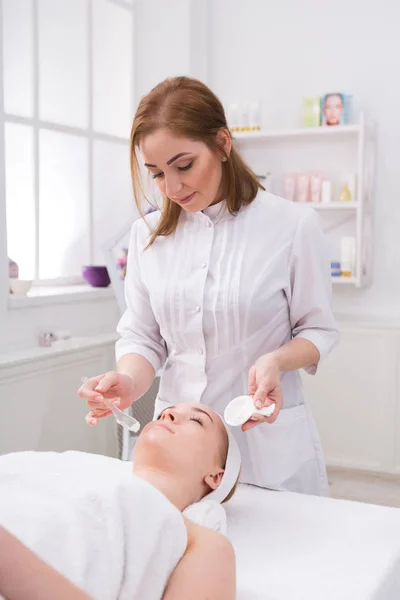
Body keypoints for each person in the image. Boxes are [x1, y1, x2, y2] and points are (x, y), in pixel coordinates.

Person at [79, 76, 339, 496]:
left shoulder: (292, 226)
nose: (172, 187)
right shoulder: (147, 237)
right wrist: (127, 382)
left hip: (262, 444)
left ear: (222, 143)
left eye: (183, 165)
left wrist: (275, 360)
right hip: (177, 455)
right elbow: (143, 338)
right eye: (157, 173)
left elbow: (319, 331)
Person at [0, 403, 238, 600]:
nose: (168, 413)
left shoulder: (202, 542)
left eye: (196, 420)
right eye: (163, 413)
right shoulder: (68, 468)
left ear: (216, 476)